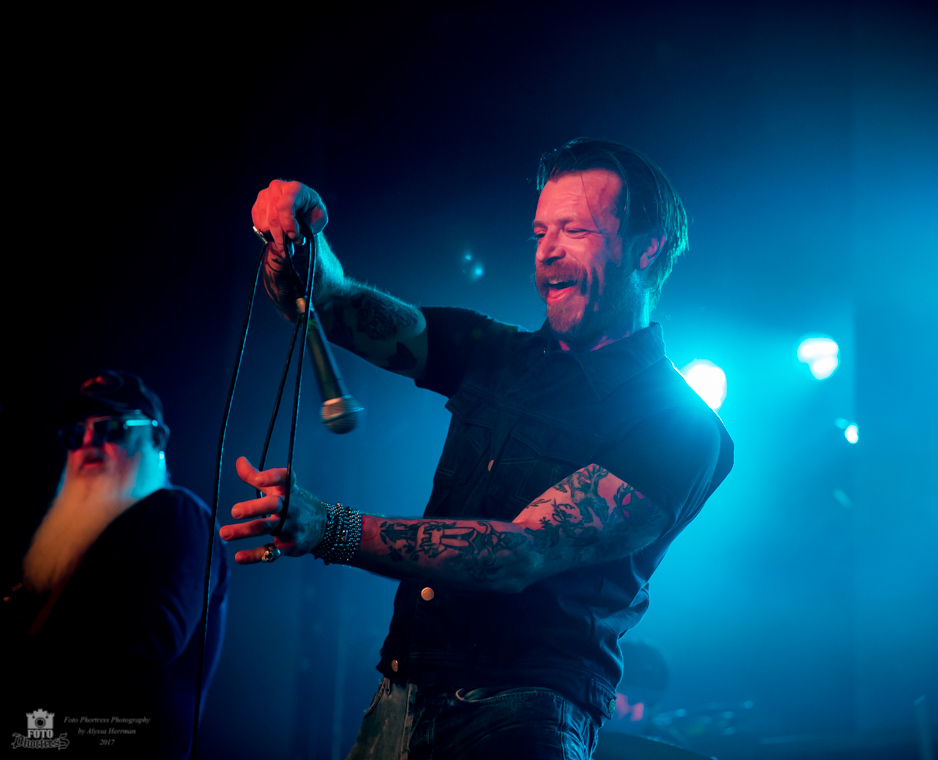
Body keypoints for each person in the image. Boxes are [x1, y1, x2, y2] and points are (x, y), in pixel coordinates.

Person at [224, 138, 734, 759]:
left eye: (574, 230)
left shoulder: (681, 426)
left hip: (521, 713)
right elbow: (332, 306)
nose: (547, 252)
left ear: (646, 248)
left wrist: (333, 529)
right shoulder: (492, 352)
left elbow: (522, 551)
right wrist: (295, 242)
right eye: (540, 231)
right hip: (399, 700)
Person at [5, 370, 230, 759]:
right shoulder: (73, 542)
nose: (89, 442)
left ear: (156, 438)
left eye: (111, 428)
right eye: (75, 435)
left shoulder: (176, 513)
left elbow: (152, 638)